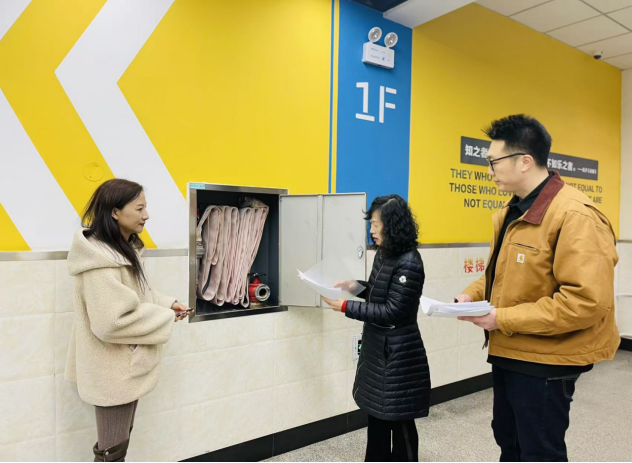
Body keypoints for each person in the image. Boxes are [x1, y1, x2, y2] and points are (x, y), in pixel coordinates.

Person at [455, 115, 620, 462]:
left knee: (540, 452)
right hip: (509, 351)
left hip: (545, 361)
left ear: (525, 161)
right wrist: (471, 295)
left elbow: (585, 302)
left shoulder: (575, 215)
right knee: (509, 441)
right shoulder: (513, 210)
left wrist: (501, 318)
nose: (489, 170)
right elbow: (501, 274)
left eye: (493, 162)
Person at [65, 179, 191, 462]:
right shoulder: (101, 259)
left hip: (121, 367)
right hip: (111, 370)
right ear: (115, 212)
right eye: (139, 208)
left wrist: (167, 304)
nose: (146, 215)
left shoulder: (121, 249)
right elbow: (111, 321)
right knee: (112, 452)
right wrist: (165, 317)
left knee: (117, 445)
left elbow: (136, 295)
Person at [322, 195, 430, 462]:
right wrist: (355, 287)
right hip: (378, 348)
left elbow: (393, 311)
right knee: (377, 417)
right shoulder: (384, 254)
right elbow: (378, 293)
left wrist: (346, 306)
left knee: (399, 418)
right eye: (370, 224)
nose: (371, 230)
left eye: (376, 224)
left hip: (398, 353)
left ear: (392, 225)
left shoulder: (410, 262)